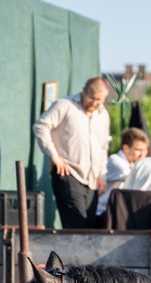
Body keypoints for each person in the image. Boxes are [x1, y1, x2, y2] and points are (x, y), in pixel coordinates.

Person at [32, 76, 111, 228]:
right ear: (83, 92)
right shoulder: (65, 105)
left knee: (89, 227)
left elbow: (103, 146)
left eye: (99, 100)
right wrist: (54, 156)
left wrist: (102, 175)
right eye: (91, 98)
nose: (94, 103)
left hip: (92, 179)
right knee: (77, 226)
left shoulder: (103, 115)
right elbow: (41, 126)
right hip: (68, 172)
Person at [96, 127, 149, 220]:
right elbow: (137, 179)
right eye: (139, 150)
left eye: (145, 150)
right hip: (103, 213)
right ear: (126, 149)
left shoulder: (132, 164)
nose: (143, 154)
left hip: (117, 213)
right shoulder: (116, 161)